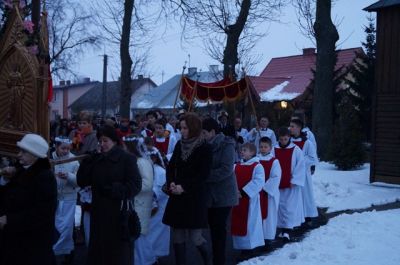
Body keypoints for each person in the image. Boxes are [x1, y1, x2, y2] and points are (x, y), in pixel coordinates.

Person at [77, 125, 142, 265]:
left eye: (105, 141)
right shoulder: (97, 159)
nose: (102, 144)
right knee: (98, 252)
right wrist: (86, 163)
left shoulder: (127, 159)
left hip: (119, 214)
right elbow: (82, 181)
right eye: (100, 141)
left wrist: (114, 189)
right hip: (99, 212)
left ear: (114, 141)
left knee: (117, 254)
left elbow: (135, 186)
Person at [162, 112, 213, 265]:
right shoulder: (179, 144)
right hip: (177, 194)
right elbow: (171, 167)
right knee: (177, 235)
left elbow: (203, 175)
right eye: (181, 128)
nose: (182, 131)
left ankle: (208, 261)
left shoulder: (205, 147)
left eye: (185, 128)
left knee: (195, 237)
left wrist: (184, 187)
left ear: (194, 128)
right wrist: (171, 182)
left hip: (194, 195)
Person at [0, 133, 57, 265]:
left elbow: (42, 213)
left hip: (31, 245)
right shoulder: (20, 170)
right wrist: (4, 180)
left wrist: (9, 220)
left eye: (24, 152)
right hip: (14, 240)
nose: (19, 155)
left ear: (35, 155)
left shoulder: (44, 177)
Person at [202, 117, 238, 265]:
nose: (202, 135)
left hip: (224, 194)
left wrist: (203, 176)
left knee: (219, 229)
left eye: (204, 132)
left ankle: (219, 260)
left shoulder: (227, 144)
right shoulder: (203, 144)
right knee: (211, 228)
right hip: (209, 194)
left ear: (212, 131)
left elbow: (226, 169)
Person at [123, 135, 155, 265]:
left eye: (125, 146)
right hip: (133, 204)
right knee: (136, 237)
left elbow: (147, 185)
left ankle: (147, 261)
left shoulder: (142, 162)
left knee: (140, 236)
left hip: (141, 204)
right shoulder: (133, 161)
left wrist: (128, 186)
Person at [231, 142, 265, 253]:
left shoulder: (257, 166)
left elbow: (259, 181)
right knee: (237, 221)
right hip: (236, 199)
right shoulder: (236, 166)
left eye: (245, 150)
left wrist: (244, 192)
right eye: (241, 150)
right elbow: (230, 179)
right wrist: (234, 191)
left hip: (250, 201)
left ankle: (250, 248)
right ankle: (240, 247)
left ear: (252, 153)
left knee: (250, 224)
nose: (242, 152)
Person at [274, 127, 305, 241]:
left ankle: (287, 230)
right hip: (277, 184)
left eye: (285, 139)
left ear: (289, 138)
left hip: (290, 184)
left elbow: (300, 166)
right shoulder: (274, 149)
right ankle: (282, 228)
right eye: (281, 139)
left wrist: (294, 180)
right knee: (279, 207)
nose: (283, 141)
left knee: (289, 207)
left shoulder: (296, 150)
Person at [52, 137, 80, 264]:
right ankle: (53, 253)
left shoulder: (74, 160)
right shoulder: (50, 158)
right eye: (63, 148)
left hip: (69, 199)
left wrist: (69, 176)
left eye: (68, 148)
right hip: (54, 198)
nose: (66, 151)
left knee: (67, 228)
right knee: (55, 227)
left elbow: (79, 180)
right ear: (56, 147)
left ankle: (67, 254)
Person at [289, 118, 319, 225]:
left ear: (299, 128)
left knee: (305, 195)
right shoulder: (288, 142)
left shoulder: (307, 143)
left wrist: (300, 162)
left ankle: (307, 216)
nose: (290, 128)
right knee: (294, 196)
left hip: (303, 174)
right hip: (291, 174)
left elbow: (312, 158)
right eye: (290, 126)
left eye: (292, 126)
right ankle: (295, 217)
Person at [146, 151, 171, 263]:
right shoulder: (144, 169)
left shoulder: (160, 171)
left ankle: (154, 256)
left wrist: (152, 195)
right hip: (146, 207)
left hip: (159, 208)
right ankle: (148, 256)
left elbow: (162, 189)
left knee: (156, 234)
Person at [257, 137, 282, 242]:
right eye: (261, 147)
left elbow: (276, 177)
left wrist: (264, 188)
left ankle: (268, 239)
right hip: (257, 193)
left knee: (269, 217)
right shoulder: (256, 159)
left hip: (268, 194)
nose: (263, 149)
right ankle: (258, 238)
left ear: (270, 147)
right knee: (257, 215)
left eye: (265, 147)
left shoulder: (274, 161)